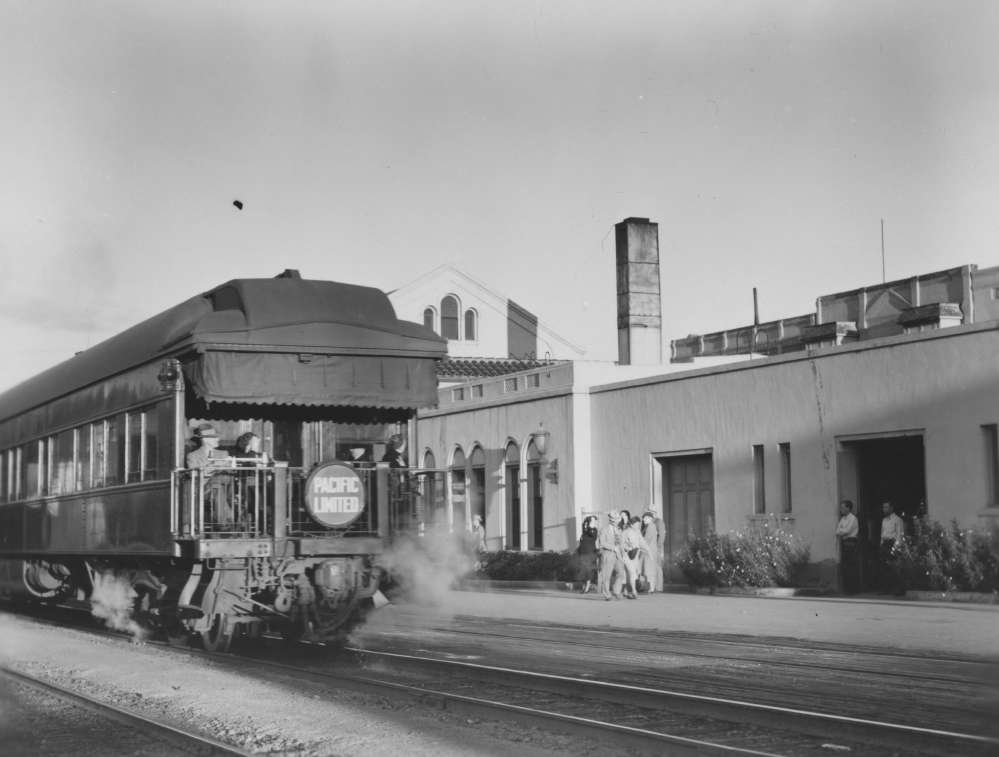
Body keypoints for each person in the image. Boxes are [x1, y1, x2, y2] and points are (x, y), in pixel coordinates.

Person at [596, 511, 624, 600]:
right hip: (608, 554)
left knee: (621, 573)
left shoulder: (619, 530)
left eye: (618, 520)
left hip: (618, 555)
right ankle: (607, 594)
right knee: (606, 576)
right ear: (612, 520)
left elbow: (621, 543)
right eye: (616, 520)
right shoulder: (604, 529)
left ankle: (616, 591)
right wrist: (613, 547)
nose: (617, 521)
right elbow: (602, 543)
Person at [619, 516, 649, 599]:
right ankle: (634, 591)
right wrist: (627, 548)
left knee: (628, 574)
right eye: (636, 524)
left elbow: (642, 542)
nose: (638, 526)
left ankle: (625, 591)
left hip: (635, 556)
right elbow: (621, 545)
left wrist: (648, 551)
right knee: (632, 573)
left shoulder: (638, 532)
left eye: (639, 524)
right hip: (626, 556)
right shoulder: (625, 532)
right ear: (631, 524)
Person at [879, 501, 905, 595]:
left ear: (891, 508)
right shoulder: (884, 520)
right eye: (883, 507)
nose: (884, 509)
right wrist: (881, 544)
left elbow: (899, 534)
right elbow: (883, 533)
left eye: (886, 507)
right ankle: (886, 589)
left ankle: (898, 590)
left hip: (892, 544)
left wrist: (896, 547)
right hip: (885, 544)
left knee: (895, 568)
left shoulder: (897, 519)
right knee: (884, 567)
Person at [836, 500, 860, 594]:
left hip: (851, 542)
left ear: (848, 508)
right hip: (845, 543)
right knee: (846, 566)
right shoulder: (843, 519)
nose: (841, 509)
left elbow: (847, 531)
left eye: (843, 507)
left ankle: (853, 589)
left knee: (852, 566)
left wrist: (841, 531)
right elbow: (837, 531)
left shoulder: (853, 518)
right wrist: (842, 531)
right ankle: (847, 589)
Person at [571, 516, 599, 593]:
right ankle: (585, 586)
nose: (593, 522)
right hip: (582, 553)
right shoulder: (584, 532)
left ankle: (587, 587)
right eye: (591, 521)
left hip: (590, 553)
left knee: (588, 570)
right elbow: (582, 542)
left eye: (594, 521)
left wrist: (590, 527)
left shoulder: (594, 530)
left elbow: (593, 536)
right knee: (583, 570)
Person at [639, 512, 662, 593]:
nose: (643, 520)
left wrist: (639, 545)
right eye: (643, 518)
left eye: (645, 518)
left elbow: (647, 539)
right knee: (647, 569)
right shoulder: (648, 526)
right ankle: (649, 587)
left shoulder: (651, 526)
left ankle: (651, 588)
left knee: (649, 570)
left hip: (649, 551)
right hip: (648, 551)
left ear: (650, 518)